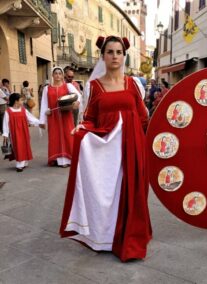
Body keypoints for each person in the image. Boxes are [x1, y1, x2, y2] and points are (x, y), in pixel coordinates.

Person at [59, 35, 152, 262]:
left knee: (131, 192)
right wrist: (81, 129)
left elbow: (143, 118)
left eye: (118, 52)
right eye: (110, 52)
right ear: (103, 56)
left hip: (132, 148)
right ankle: (105, 237)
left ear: (124, 56)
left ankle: (129, 235)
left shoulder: (133, 84)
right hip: (106, 151)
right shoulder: (94, 86)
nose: (114, 56)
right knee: (106, 194)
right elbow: (90, 118)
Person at [39, 67, 81, 167]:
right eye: (55, 73)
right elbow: (44, 103)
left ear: (62, 75)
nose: (58, 75)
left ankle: (66, 160)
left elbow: (78, 95)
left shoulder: (68, 86)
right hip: (53, 117)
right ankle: (57, 160)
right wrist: (44, 117)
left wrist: (76, 102)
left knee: (67, 135)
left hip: (66, 116)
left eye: (59, 73)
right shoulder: (46, 89)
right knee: (55, 137)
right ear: (52, 75)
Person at [2, 93, 40, 172]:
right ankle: (19, 164)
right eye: (21, 100)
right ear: (16, 101)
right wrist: (5, 134)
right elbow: (5, 123)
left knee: (25, 145)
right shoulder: (8, 111)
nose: (22, 101)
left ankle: (24, 161)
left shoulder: (23, 110)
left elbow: (31, 118)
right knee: (18, 146)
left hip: (24, 132)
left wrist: (40, 122)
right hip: (14, 133)